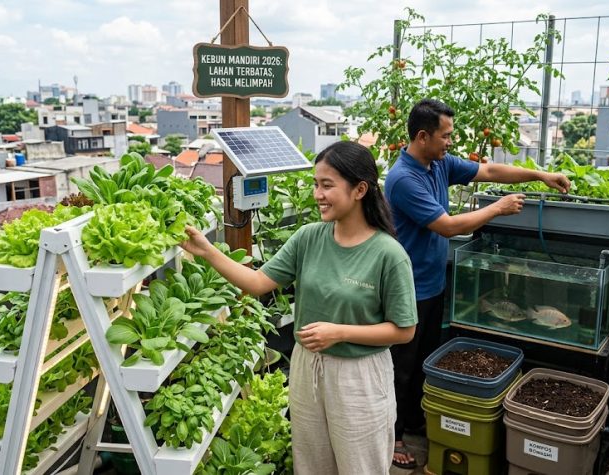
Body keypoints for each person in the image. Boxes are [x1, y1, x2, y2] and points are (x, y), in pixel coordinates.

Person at [181, 140, 418, 474]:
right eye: (315, 184)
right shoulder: (309, 238)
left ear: (360, 189)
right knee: (311, 463)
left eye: (327, 185)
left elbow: (404, 330)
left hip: (359, 377)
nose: (317, 194)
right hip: (308, 368)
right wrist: (207, 251)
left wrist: (340, 333)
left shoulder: (388, 255)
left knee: (360, 466)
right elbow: (257, 283)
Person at [384, 98, 571, 469]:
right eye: (445, 135)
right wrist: (497, 209)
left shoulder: (437, 163)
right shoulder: (403, 178)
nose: (450, 142)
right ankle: (392, 437)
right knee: (399, 368)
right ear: (423, 136)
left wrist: (540, 176)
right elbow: (448, 226)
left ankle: (416, 419)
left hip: (432, 283)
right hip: (407, 289)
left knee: (422, 361)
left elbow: (489, 172)